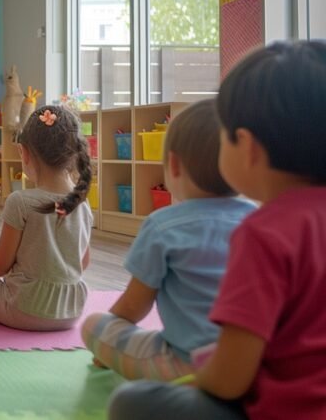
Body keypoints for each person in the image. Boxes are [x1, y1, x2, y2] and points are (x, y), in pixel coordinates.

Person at [108, 40, 326, 420]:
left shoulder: (264, 232)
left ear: (247, 147)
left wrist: (196, 379)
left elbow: (229, 380)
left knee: (131, 403)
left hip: (279, 409)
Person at [81, 99, 256, 380]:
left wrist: (105, 348)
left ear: (173, 165)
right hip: (252, 365)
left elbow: (132, 307)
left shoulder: (163, 226)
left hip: (184, 363)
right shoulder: (260, 222)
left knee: (93, 324)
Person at [0, 105, 93, 331]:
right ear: (75, 154)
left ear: (24, 153)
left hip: (23, 310)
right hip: (72, 312)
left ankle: (0, 313)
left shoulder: (20, 201)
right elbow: (83, 263)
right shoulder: (82, 203)